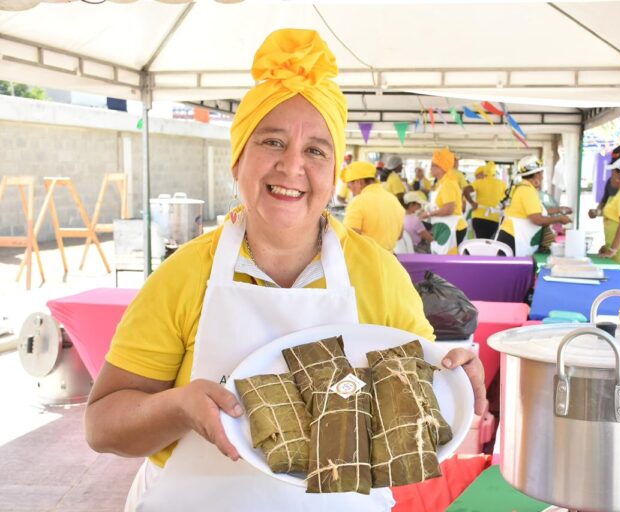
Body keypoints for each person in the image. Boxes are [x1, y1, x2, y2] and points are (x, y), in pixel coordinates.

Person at [84, 29, 485, 512]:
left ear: (335, 171)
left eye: (316, 150)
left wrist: (453, 375)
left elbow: (424, 390)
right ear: (238, 161)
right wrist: (175, 407)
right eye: (272, 141)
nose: (292, 165)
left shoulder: (377, 273)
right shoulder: (186, 274)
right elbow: (103, 426)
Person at [497, 156, 571, 256]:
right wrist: (560, 219)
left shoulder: (523, 187)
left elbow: (536, 211)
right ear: (537, 174)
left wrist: (558, 210)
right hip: (514, 239)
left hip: (511, 237)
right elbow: (537, 219)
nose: (543, 176)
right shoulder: (527, 191)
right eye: (542, 173)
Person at [342, 160, 405, 252]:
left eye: (350, 186)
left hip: (366, 261)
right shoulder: (393, 200)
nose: (351, 191)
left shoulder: (358, 202)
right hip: (390, 261)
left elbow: (350, 237)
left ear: (359, 182)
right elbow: (400, 235)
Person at [422, 147, 468, 248]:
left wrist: (428, 214)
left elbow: (449, 209)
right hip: (445, 226)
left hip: (453, 227)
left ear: (441, 167)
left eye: (433, 165)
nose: (430, 168)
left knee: (448, 259)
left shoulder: (448, 183)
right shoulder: (442, 183)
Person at [467, 162, 506, 239]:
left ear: (484, 172)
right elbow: (505, 200)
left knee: (479, 240)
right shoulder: (502, 184)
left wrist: (472, 203)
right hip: (494, 218)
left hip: (478, 217)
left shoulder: (479, 182)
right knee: (489, 242)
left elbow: (466, 190)